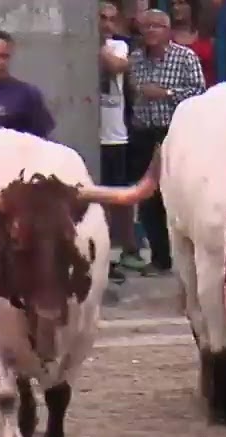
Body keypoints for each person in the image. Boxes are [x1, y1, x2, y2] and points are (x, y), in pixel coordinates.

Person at [126, 10, 205, 274]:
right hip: (143, 134)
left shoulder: (185, 57)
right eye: (146, 26)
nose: (150, 31)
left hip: (174, 133)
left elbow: (198, 93)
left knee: (180, 195)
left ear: (168, 30)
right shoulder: (135, 59)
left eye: (157, 26)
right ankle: (160, 258)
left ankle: (189, 257)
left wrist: (166, 93)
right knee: (148, 198)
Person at [97, 3, 141, 280]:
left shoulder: (120, 47)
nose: (107, 23)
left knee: (118, 196)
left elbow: (116, 65)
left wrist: (97, 43)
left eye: (113, 19)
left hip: (116, 132)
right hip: (88, 131)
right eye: (102, 18)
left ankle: (124, 250)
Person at [170, 0, 214, 85]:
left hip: (206, 93)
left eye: (181, 3)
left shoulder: (206, 37)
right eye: (173, 4)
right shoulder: (166, 37)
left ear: (192, 6)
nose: (175, 8)